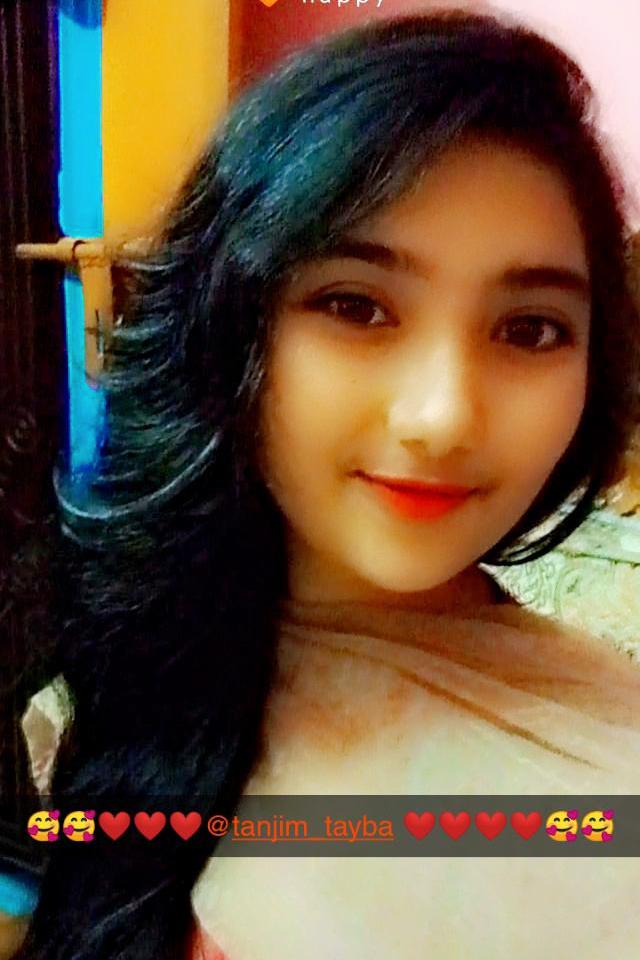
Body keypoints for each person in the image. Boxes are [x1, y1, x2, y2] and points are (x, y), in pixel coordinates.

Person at [15, 8, 640, 960]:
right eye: (356, 305)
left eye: (529, 329)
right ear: (230, 319)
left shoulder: (605, 773)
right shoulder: (126, 646)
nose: (442, 418)